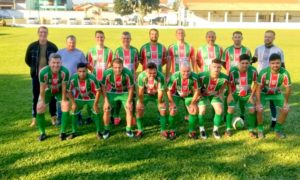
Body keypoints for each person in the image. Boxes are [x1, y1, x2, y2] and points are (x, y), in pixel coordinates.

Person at [25, 26, 58, 127]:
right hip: (36, 76)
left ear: (47, 33)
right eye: (41, 32)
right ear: (38, 33)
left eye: (45, 32)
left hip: (50, 76)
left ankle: (53, 117)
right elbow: (27, 60)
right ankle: (34, 118)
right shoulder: (32, 46)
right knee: (36, 97)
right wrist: (35, 68)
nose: (43, 34)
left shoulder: (53, 46)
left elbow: (56, 61)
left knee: (52, 97)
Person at [252, 30, 285, 129]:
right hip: (259, 78)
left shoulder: (278, 50)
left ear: (274, 38)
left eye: (270, 37)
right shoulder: (258, 48)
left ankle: (274, 120)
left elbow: (282, 66)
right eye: (266, 36)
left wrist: (280, 82)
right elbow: (254, 59)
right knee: (256, 99)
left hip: (272, 79)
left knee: (272, 101)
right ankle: (256, 121)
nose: (267, 38)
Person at [256, 53, 291, 139]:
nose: (275, 65)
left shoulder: (285, 73)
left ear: (280, 63)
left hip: (276, 94)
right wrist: (258, 102)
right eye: (273, 63)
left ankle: (277, 129)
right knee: (259, 109)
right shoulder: (263, 72)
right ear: (269, 63)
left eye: (277, 63)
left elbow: (288, 89)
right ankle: (260, 130)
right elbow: (258, 88)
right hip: (264, 93)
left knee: (286, 109)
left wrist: (286, 102)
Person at [65, 63, 104, 140]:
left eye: (84, 71)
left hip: (91, 98)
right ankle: (74, 132)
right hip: (78, 98)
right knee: (74, 110)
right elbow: (68, 91)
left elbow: (98, 91)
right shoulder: (73, 78)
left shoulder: (92, 78)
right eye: (80, 71)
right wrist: (73, 103)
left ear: (87, 71)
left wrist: (95, 104)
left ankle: (99, 131)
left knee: (96, 110)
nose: (82, 73)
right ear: (77, 71)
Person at [36, 53, 69, 141]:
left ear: (61, 63)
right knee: (39, 108)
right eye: (53, 62)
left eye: (58, 63)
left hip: (59, 90)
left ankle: (62, 132)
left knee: (65, 106)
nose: (56, 65)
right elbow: (42, 87)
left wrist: (64, 100)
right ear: (49, 63)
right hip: (48, 91)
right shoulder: (43, 72)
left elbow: (64, 86)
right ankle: (42, 133)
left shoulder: (65, 71)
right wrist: (41, 101)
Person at [101, 58, 135, 139]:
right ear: (112, 67)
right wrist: (106, 101)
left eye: (119, 67)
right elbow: (103, 86)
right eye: (115, 67)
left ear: (122, 67)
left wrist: (129, 101)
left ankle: (128, 129)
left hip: (124, 92)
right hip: (112, 92)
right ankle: (106, 129)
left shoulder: (127, 73)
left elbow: (131, 87)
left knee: (129, 109)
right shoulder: (107, 73)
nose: (117, 70)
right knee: (106, 109)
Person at [57, 35, 87, 125]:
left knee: (76, 99)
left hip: (75, 81)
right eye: (70, 42)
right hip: (62, 81)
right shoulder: (60, 52)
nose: (72, 44)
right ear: (66, 43)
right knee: (61, 100)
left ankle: (78, 117)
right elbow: (54, 65)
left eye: (73, 42)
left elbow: (84, 67)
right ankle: (60, 118)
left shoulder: (80, 53)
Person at [222, 31, 252, 120]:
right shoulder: (227, 50)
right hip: (231, 77)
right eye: (235, 37)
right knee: (228, 95)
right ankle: (226, 113)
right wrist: (229, 71)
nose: (237, 38)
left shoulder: (246, 50)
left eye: (239, 37)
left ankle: (242, 114)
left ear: (242, 38)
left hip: (243, 76)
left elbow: (249, 63)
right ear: (233, 38)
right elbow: (224, 62)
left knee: (242, 95)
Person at [226, 54, 258, 138]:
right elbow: (229, 83)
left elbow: (256, 83)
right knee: (230, 109)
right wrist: (229, 94)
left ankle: (251, 130)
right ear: (239, 62)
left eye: (247, 63)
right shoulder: (233, 71)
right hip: (235, 93)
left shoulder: (253, 71)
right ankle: (228, 129)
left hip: (248, 94)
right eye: (242, 63)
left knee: (252, 110)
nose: (245, 65)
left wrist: (252, 96)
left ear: (250, 63)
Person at [167, 61, 201, 140]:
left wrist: (193, 103)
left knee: (194, 110)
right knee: (172, 110)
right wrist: (171, 103)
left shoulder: (195, 77)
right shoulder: (175, 76)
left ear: (191, 70)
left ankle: (192, 132)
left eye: (188, 71)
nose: (186, 73)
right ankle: (172, 130)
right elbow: (168, 91)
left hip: (189, 95)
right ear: (180, 70)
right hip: (176, 94)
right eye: (183, 71)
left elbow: (197, 91)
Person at [168, 28, 196, 121]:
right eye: (178, 33)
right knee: (175, 94)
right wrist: (168, 75)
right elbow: (168, 62)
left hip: (187, 75)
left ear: (185, 34)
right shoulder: (171, 47)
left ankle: (187, 114)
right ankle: (172, 111)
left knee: (187, 94)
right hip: (176, 76)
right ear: (176, 35)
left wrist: (195, 72)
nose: (180, 34)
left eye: (182, 33)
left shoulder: (190, 47)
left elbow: (193, 61)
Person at [135, 62, 167, 139]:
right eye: (150, 73)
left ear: (157, 71)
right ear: (146, 71)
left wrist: (159, 103)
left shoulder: (161, 77)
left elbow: (160, 92)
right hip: (145, 94)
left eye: (154, 73)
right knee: (139, 109)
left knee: (163, 110)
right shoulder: (141, 76)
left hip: (156, 95)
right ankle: (140, 130)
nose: (152, 75)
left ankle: (163, 130)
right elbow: (141, 91)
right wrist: (140, 102)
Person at [198, 59, 228, 139]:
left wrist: (219, 93)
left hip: (214, 94)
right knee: (202, 110)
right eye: (214, 67)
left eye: (218, 67)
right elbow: (197, 85)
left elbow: (225, 85)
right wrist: (201, 92)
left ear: (221, 69)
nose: (216, 69)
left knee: (219, 110)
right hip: (203, 94)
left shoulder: (224, 78)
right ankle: (201, 129)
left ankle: (215, 130)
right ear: (210, 67)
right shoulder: (202, 75)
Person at [113, 31, 139, 125]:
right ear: (121, 39)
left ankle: (132, 116)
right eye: (124, 38)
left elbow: (136, 63)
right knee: (118, 98)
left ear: (130, 39)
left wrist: (133, 73)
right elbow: (115, 64)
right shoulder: (118, 51)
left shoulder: (135, 50)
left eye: (128, 38)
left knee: (132, 97)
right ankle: (116, 116)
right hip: (120, 78)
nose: (126, 40)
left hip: (131, 78)